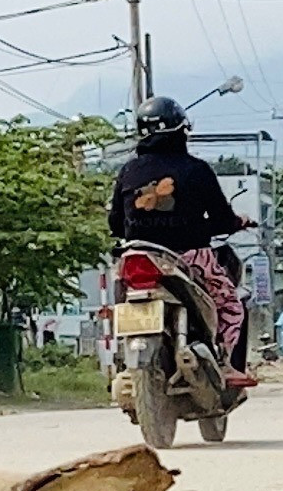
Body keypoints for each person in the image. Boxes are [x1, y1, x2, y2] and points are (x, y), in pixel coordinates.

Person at [110, 95, 256, 387]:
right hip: (188, 257)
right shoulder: (196, 169)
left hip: (138, 255)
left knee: (120, 303)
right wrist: (238, 222)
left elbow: (115, 222)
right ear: (180, 131)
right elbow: (221, 220)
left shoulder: (128, 171)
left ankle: (122, 362)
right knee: (231, 304)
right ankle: (226, 363)